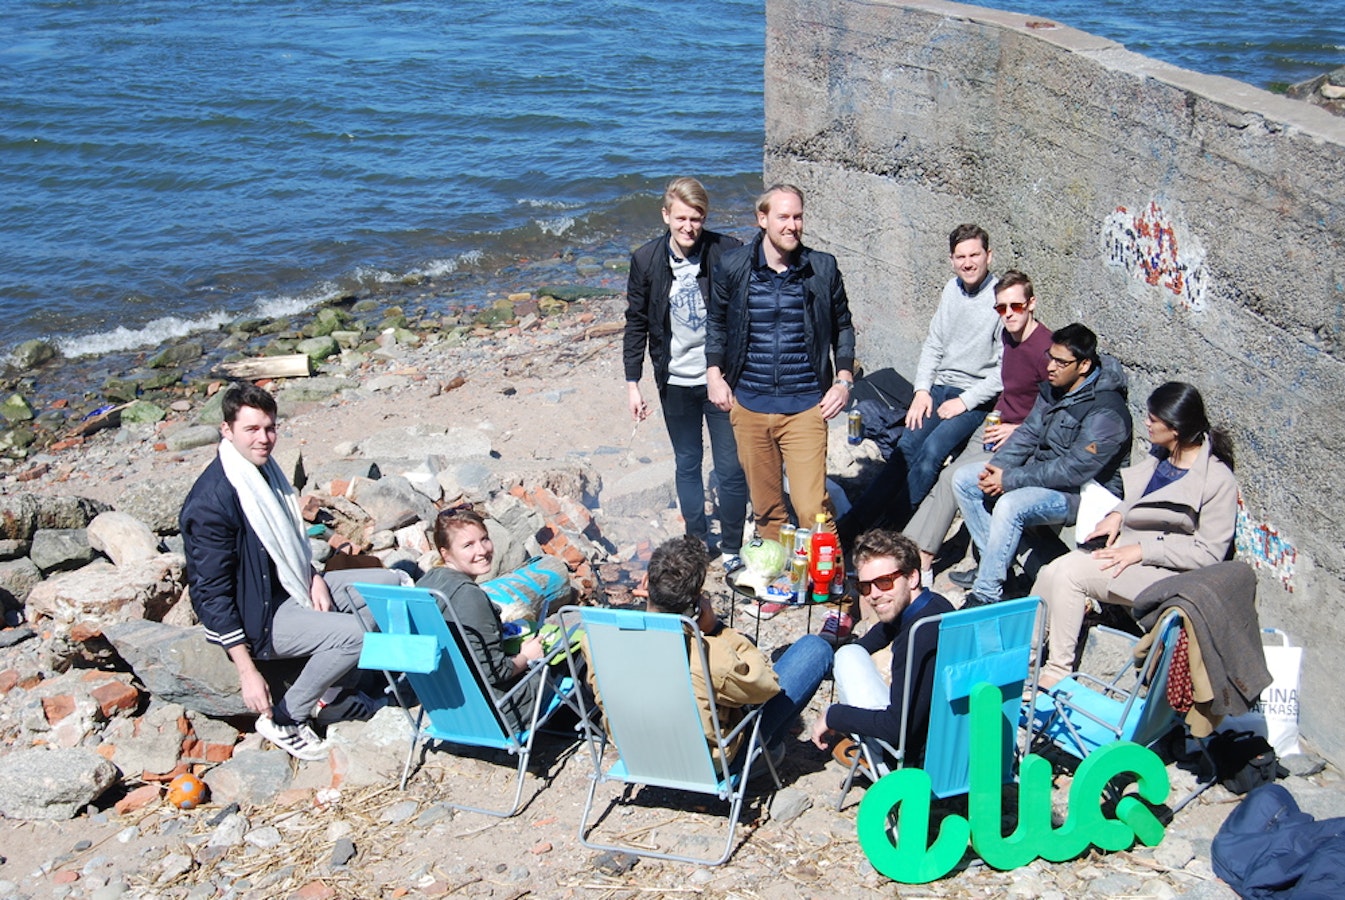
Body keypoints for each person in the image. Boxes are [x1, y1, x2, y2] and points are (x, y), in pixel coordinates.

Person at [181, 384, 367, 761]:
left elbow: (283, 545)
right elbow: (209, 593)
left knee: (381, 586)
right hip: (258, 618)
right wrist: (247, 670)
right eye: (251, 429)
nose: (264, 439)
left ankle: (333, 695)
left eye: (269, 428)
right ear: (226, 430)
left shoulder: (264, 474)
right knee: (356, 635)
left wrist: (311, 574)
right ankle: (287, 718)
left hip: (286, 587)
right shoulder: (213, 502)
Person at [1034, 382, 1239, 687]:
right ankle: (1023, 657)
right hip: (1129, 550)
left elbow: (1209, 553)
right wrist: (1118, 514)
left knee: (1070, 575)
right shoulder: (1163, 455)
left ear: (1175, 428)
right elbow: (1141, 497)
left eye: (1153, 419)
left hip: (1167, 572)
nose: (1147, 423)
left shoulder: (1217, 480)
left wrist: (1142, 550)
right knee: (1050, 572)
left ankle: (1057, 671)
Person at [705, 183, 856, 550]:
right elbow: (717, 324)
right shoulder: (733, 266)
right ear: (763, 219)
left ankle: (831, 583)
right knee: (767, 511)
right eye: (783, 217)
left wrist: (843, 380)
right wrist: (713, 374)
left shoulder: (821, 268)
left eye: (798, 217)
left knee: (812, 509)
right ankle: (778, 577)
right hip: (750, 405)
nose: (792, 225)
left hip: (805, 406)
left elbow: (844, 326)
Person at [839, 224, 1001, 544]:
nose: (968, 263)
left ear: (989, 256)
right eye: (960, 257)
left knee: (932, 452)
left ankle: (891, 529)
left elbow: (1002, 372)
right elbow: (933, 344)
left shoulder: (1001, 299)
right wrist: (922, 390)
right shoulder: (951, 289)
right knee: (906, 449)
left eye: (974, 255)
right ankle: (853, 525)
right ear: (951, 260)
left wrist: (965, 402)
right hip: (939, 388)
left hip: (974, 397)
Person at [952, 323, 1133, 607]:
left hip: (1081, 494)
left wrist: (1009, 479)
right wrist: (998, 468)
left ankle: (986, 595)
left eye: (1061, 362)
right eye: (1050, 357)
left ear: (1084, 365)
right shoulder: (1055, 388)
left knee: (1010, 505)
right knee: (965, 479)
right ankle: (996, 572)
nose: (1050, 367)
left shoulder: (1106, 410)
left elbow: (1074, 470)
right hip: (1043, 475)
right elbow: (1028, 433)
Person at [618, 536, 833, 769]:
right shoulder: (708, 655)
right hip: (704, 766)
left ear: (645, 581)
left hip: (639, 756)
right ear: (696, 606)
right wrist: (717, 630)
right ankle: (761, 755)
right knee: (815, 648)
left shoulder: (606, 639)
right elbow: (768, 686)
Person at [623, 177, 749, 570]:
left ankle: (732, 546)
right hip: (675, 381)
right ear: (666, 216)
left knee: (730, 466)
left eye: (696, 219)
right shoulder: (646, 260)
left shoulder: (727, 250)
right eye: (681, 219)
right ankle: (697, 542)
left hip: (720, 379)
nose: (689, 227)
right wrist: (632, 383)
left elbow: (746, 310)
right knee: (688, 462)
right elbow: (636, 322)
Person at [903, 270, 1053, 585]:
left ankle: (923, 561)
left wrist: (1018, 430)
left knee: (953, 476)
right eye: (1001, 308)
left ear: (1032, 304)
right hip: (996, 423)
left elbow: (1056, 411)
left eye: (1016, 306)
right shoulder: (1008, 339)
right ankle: (909, 547)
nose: (1009, 314)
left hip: (1021, 437)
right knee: (945, 470)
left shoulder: (1045, 350)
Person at [809, 530, 954, 767]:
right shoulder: (938, 607)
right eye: (865, 587)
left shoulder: (916, 638)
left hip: (915, 764)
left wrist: (835, 715)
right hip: (958, 748)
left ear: (913, 577)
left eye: (885, 582)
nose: (874, 595)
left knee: (847, 655)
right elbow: (885, 630)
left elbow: (895, 729)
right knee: (849, 652)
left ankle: (872, 756)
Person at [417, 506, 548, 734]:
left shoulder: (428, 582)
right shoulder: (468, 595)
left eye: (484, 539)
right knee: (570, 660)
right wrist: (528, 656)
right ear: (445, 553)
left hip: (448, 707)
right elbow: (496, 673)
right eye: (468, 545)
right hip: (498, 711)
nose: (482, 550)